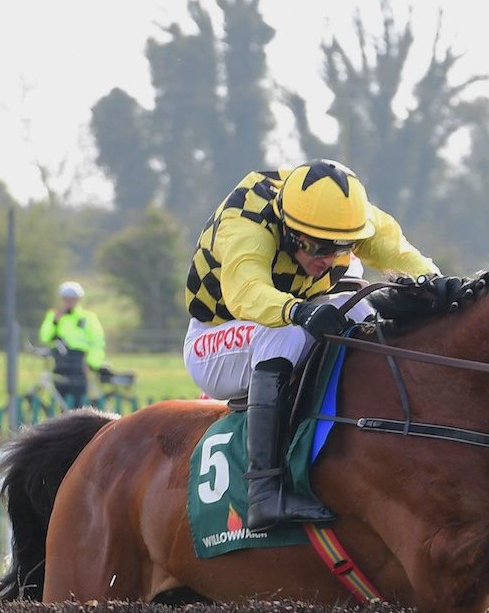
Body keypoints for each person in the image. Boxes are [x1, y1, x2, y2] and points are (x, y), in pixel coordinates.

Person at [182, 159, 461, 530]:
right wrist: (299, 312)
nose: (328, 257)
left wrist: (435, 282)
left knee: (366, 303)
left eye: (341, 247)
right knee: (284, 331)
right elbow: (246, 292)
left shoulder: (345, 215)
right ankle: (265, 492)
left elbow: (398, 254)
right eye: (316, 246)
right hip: (218, 335)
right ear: (287, 228)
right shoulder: (246, 223)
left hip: (291, 312)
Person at [37, 281, 105, 409]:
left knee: (79, 400)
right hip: (60, 362)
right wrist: (55, 322)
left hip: (79, 362)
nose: (69, 302)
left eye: (72, 299)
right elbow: (44, 337)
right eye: (66, 299)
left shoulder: (88, 317)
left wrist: (92, 363)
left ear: (78, 300)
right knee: (61, 400)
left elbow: (97, 341)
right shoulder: (54, 315)